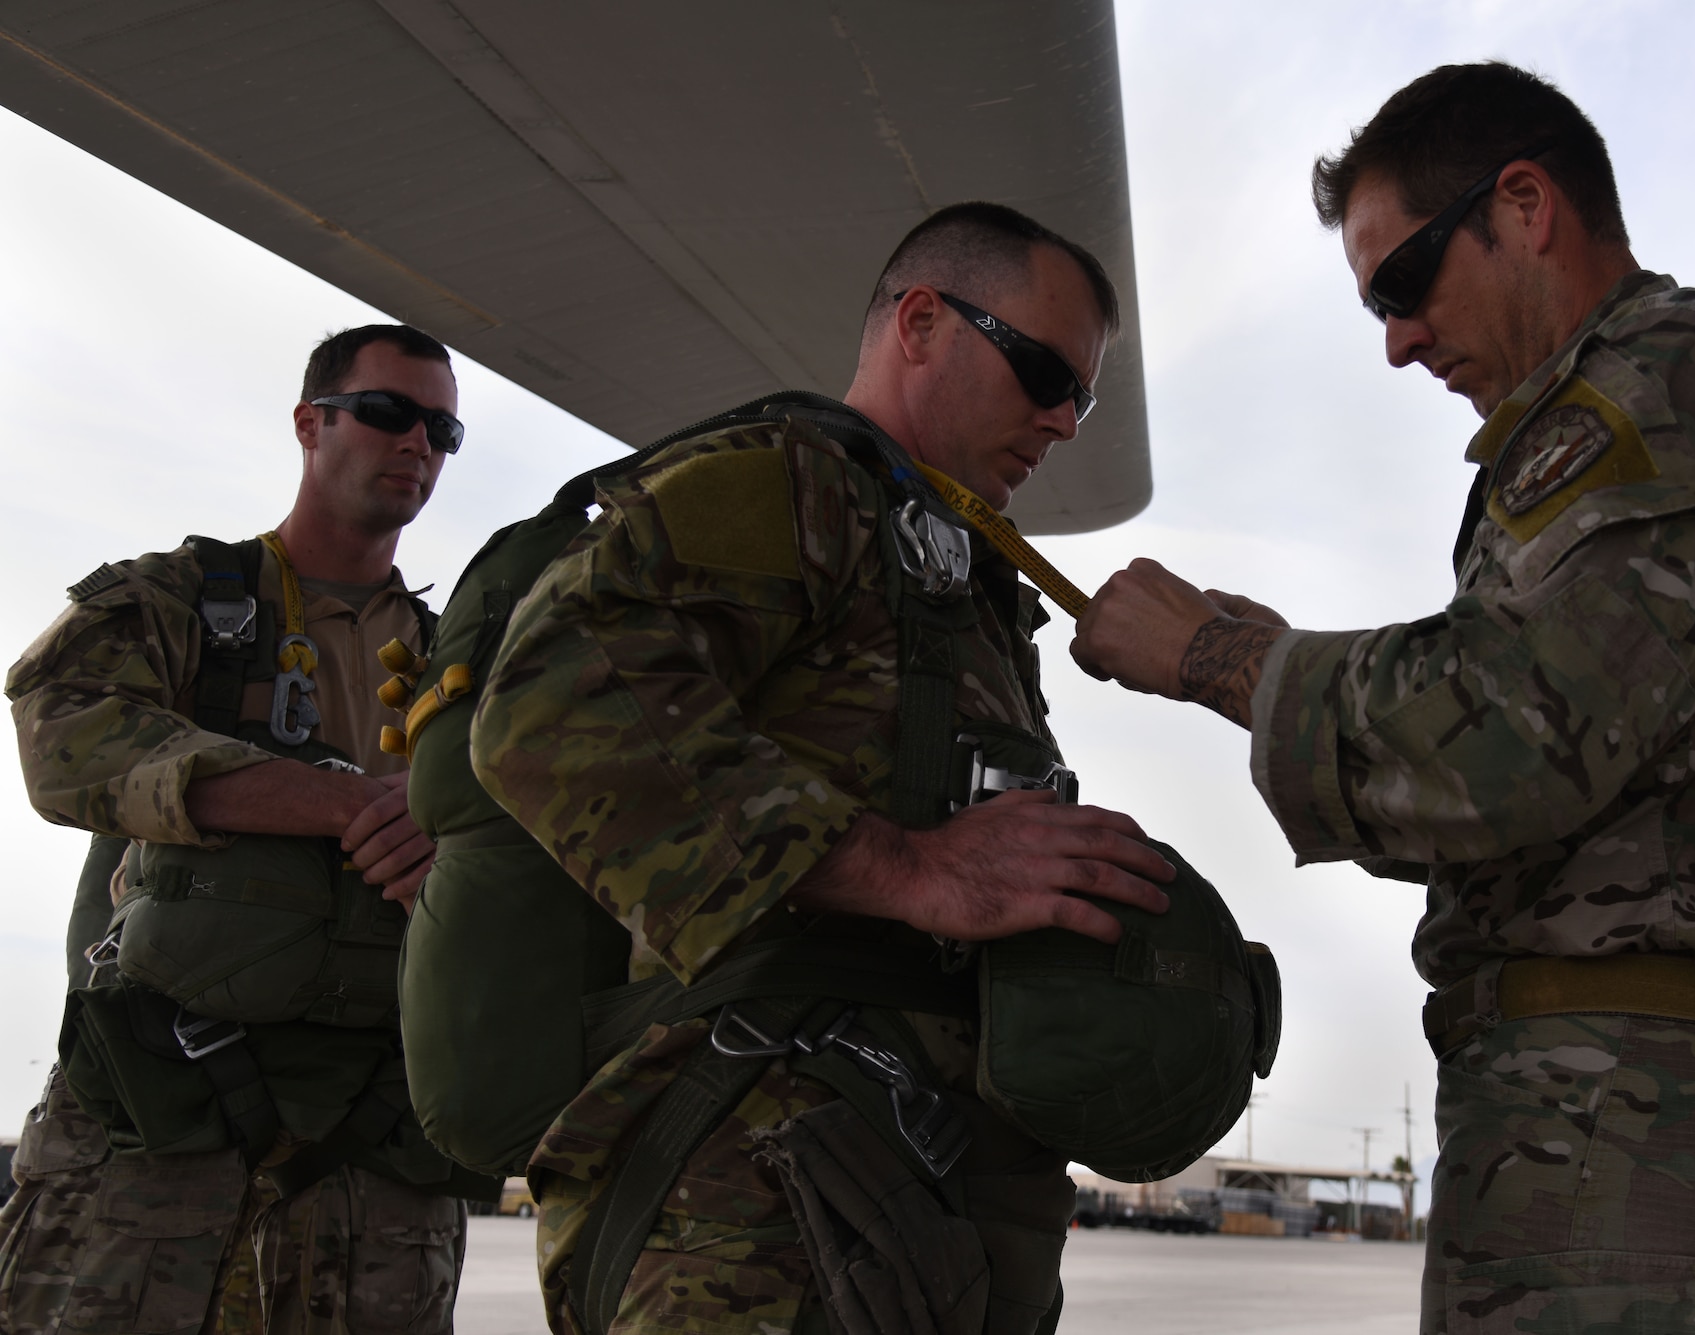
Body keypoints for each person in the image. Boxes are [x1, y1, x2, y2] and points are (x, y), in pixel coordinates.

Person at [1072, 63, 1695, 1335]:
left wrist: (1222, 656)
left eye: (1402, 285)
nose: (1397, 342)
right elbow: (1544, 800)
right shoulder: (1619, 412)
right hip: (1620, 1135)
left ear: (1522, 206)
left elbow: (1517, 741)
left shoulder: (1675, 382)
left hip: (1647, 1153)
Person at [469, 201, 1172, 1334]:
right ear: (923, 322)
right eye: (1043, 372)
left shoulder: (946, 569)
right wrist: (905, 869)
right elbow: (549, 699)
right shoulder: (791, 482)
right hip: (756, 1202)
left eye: (1078, 395)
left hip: (900, 1202)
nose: (1062, 420)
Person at [2, 324, 479, 1333]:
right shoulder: (181, 603)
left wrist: (455, 839)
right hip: (158, 1122)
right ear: (312, 423)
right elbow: (65, 735)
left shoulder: (474, 668)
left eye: (442, 430)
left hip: (375, 1139)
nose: (417, 447)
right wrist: (348, 804)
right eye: (389, 413)